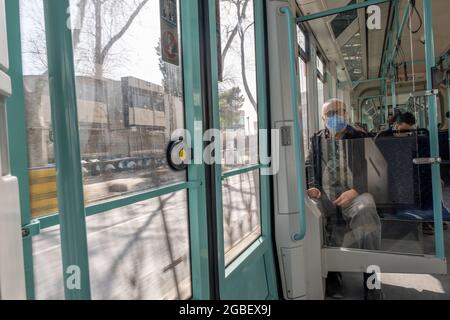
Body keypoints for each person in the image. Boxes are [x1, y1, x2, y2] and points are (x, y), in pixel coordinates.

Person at [306, 99, 382, 300]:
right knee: (313, 215)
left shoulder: (360, 136)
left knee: (366, 209)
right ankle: (332, 276)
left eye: (339, 111)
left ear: (346, 114)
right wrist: (313, 186)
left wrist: (356, 190)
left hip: (355, 193)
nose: (336, 116)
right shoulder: (316, 140)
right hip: (326, 194)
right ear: (323, 118)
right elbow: (310, 166)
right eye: (330, 113)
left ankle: (372, 280)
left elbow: (375, 170)